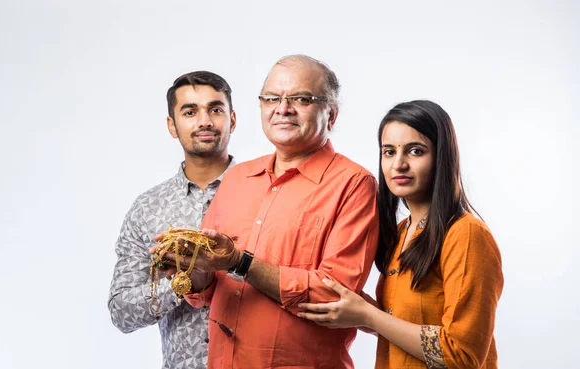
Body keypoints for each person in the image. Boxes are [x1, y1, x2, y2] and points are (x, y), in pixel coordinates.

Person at [154, 55, 379, 369]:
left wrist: (240, 262)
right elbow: (207, 292)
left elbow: (335, 297)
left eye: (301, 99)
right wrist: (194, 267)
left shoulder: (354, 184)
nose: (282, 108)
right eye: (272, 98)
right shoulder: (237, 178)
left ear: (332, 115)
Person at [298, 100, 504, 369]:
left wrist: (370, 316)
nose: (399, 164)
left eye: (415, 151)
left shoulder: (466, 234)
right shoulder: (401, 232)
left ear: (442, 156)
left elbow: (462, 355)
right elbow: (408, 323)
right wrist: (358, 311)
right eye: (389, 152)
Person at [108, 71, 237, 369]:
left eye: (215, 109)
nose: (204, 121)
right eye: (190, 112)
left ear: (233, 119)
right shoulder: (148, 208)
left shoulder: (264, 193)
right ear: (172, 125)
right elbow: (121, 311)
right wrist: (183, 284)